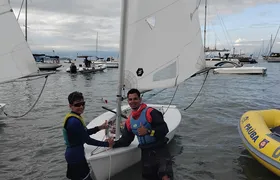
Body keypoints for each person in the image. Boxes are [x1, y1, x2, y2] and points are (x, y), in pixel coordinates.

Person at [112, 88, 173, 180]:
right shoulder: (129, 121)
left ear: (140, 100)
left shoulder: (151, 112)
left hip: (160, 150)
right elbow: (126, 139)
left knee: (165, 177)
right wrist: (113, 144)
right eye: (130, 99)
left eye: (135, 99)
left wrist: (148, 131)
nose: (133, 101)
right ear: (128, 101)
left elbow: (164, 130)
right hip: (146, 153)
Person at [63, 91, 114, 180]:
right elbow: (88, 140)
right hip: (76, 157)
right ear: (70, 106)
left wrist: (100, 127)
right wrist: (107, 144)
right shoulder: (73, 121)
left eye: (83, 104)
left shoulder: (74, 117)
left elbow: (84, 133)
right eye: (77, 105)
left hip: (73, 155)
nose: (81, 107)